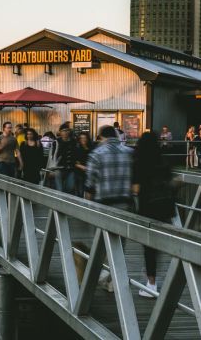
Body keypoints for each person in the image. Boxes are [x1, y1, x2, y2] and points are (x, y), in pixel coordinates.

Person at [85, 124, 134, 293]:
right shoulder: (129, 153)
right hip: (124, 203)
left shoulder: (96, 154)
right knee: (119, 245)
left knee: (101, 244)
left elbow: (90, 184)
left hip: (103, 203)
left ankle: (103, 277)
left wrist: (87, 205)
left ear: (101, 137)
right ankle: (114, 280)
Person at [133, 131, 175, 297]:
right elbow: (171, 182)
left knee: (148, 247)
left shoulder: (139, 162)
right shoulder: (164, 160)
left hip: (147, 207)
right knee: (157, 245)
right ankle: (155, 277)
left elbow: (135, 188)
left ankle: (151, 283)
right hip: (164, 207)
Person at [68, 131, 92, 196]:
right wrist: (80, 165)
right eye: (81, 138)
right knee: (80, 189)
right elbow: (73, 161)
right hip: (79, 172)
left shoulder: (91, 148)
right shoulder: (77, 148)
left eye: (84, 138)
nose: (83, 139)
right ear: (79, 139)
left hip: (89, 172)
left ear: (87, 139)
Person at [56, 126, 77, 193]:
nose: (65, 132)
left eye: (67, 130)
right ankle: (60, 201)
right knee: (60, 190)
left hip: (70, 168)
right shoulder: (56, 142)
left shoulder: (73, 141)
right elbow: (52, 156)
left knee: (70, 187)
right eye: (63, 130)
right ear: (60, 132)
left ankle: (65, 198)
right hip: (59, 168)